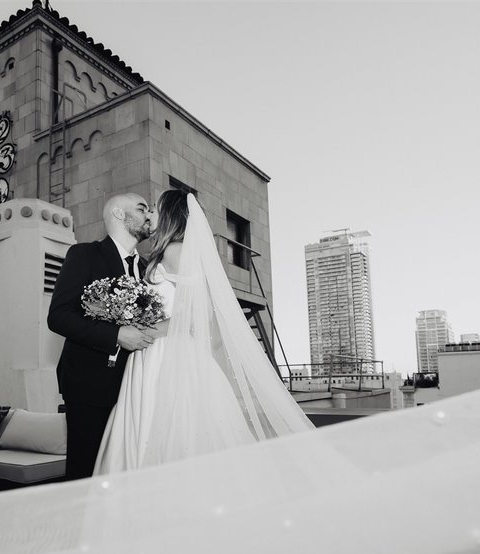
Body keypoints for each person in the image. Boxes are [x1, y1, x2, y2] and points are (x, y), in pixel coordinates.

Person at [95, 190, 315, 474]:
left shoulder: (177, 251)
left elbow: (190, 315)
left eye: (156, 209)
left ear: (171, 215)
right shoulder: (169, 252)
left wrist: (145, 330)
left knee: (161, 427)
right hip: (158, 351)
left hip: (165, 352)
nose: (151, 214)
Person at [47, 192, 158, 480]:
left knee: (125, 471)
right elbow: (58, 316)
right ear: (120, 214)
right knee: (87, 472)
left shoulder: (148, 269)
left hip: (137, 386)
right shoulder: (85, 254)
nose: (149, 215)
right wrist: (116, 335)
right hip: (90, 385)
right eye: (142, 208)